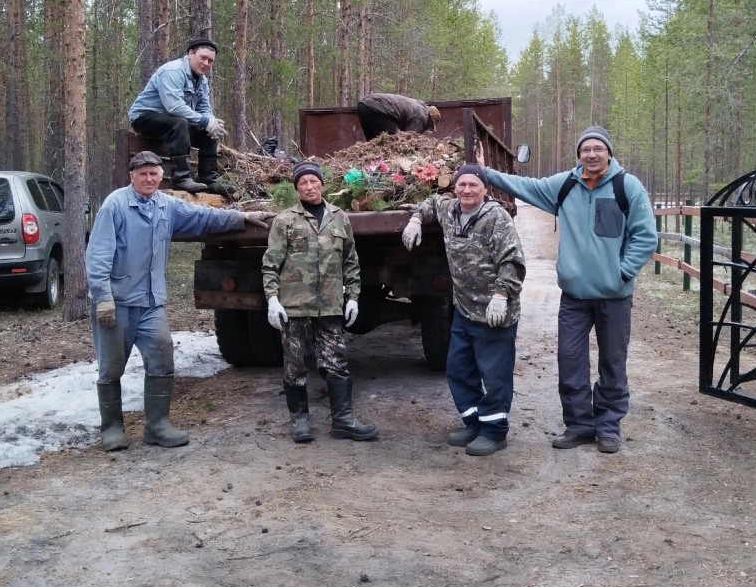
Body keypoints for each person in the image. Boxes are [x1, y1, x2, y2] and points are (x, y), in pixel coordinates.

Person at [476, 125, 657, 454]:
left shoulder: (626, 186)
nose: (591, 154)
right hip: (574, 297)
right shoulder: (566, 185)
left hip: (614, 297)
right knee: (570, 360)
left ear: (608, 153)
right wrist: (485, 173)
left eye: (597, 149)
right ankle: (579, 425)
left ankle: (608, 426)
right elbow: (526, 186)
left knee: (612, 363)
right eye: (585, 149)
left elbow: (646, 237)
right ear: (578, 155)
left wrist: (624, 271)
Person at [85, 150, 274, 452]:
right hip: (116, 302)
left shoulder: (166, 205)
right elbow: (98, 254)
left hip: (151, 303)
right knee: (111, 367)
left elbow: (203, 217)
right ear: (132, 176)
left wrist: (242, 216)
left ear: (161, 177)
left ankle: (157, 426)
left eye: (154, 173)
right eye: (142, 173)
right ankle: (112, 428)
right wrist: (102, 297)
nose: (149, 178)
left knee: (161, 356)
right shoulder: (115, 205)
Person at [402, 164, 526, 457]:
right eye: (461, 185)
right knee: (458, 370)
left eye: (473, 185)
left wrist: (500, 295)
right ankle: (474, 422)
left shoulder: (497, 218)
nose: (467, 190)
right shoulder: (450, 210)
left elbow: (513, 261)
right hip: (464, 310)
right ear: (454, 188)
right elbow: (432, 201)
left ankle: (495, 432)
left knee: (494, 375)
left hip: (495, 313)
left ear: (484, 188)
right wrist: (417, 219)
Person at [262, 160, 378, 444]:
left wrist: (353, 298)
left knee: (336, 361)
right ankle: (300, 421)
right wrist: (272, 299)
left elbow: (350, 261)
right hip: (295, 306)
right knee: (295, 364)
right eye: (303, 183)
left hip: (330, 305)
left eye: (313, 181)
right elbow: (270, 263)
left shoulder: (339, 217)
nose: (309, 186)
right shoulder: (285, 220)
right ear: (296, 189)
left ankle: (343, 420)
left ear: (322, 185)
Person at [128, 37, 234, 196]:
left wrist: (211, 123)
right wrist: (204, 121)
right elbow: (174, 106)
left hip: (172, 121)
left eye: (210, 61)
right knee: (180, 122)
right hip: (144, 117)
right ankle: (182, 178)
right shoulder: (172, 71)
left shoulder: (202, 80)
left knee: (208, 131)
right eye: (203, 58)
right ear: (191, 54)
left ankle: (209, 179)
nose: (206, 63)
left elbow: (204, 107)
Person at [356, 93, 441, 141]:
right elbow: (407, 139)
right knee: (394, 141)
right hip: (379, 108)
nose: (428, 129)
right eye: (430, 126)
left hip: (364, 105)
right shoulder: (422, 116)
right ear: (430, 118)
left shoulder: (417, 106)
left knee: (372, 142)